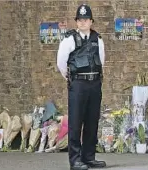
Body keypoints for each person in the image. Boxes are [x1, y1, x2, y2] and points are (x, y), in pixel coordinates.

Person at [57, 4, 106, 170]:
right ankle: (75, 160)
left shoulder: (98, 39)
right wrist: (72, 78)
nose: (83, 22)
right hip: (78, 84)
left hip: (94, 84)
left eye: (86, 19)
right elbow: (61, 63)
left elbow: (102, 61)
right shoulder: (69, 39)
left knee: (92, 122)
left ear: (91, 21)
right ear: (76, 22)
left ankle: (89, 157)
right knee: (76, 122)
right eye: (80, 19)